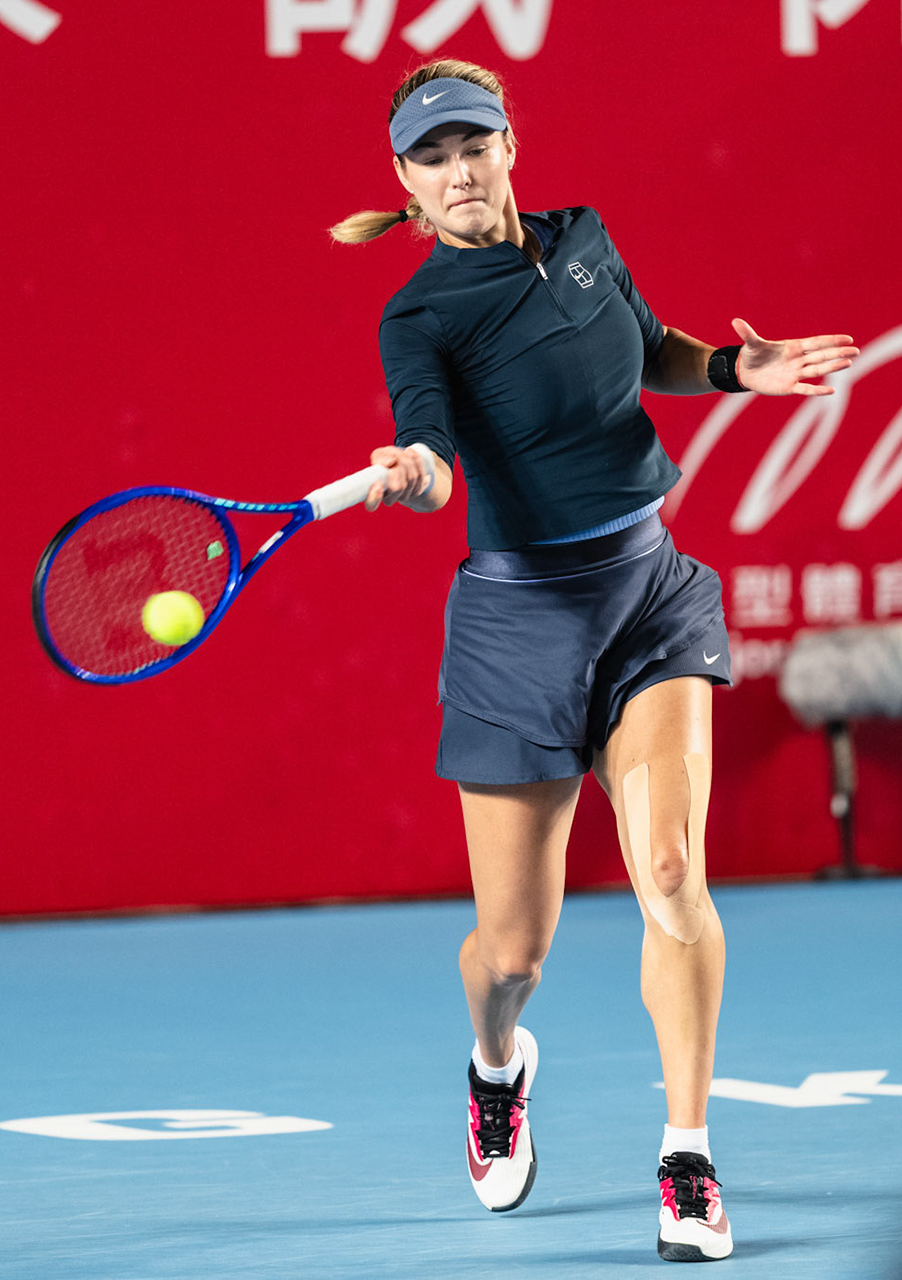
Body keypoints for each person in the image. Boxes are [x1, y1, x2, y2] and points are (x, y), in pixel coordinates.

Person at [329, 59, 857, 1261]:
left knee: (671, 871)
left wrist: (732, 369)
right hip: (521, 625)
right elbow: (431, 441)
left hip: (646, 594)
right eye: (432, 158)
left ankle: (688, 1158)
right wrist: (417, 469)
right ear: (406, 181)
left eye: (475, 145)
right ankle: (495, 1064)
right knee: (512, 954)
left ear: (510, 146)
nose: (460, 172)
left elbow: (652, 346)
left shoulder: (584, 238)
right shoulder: (419, 315)